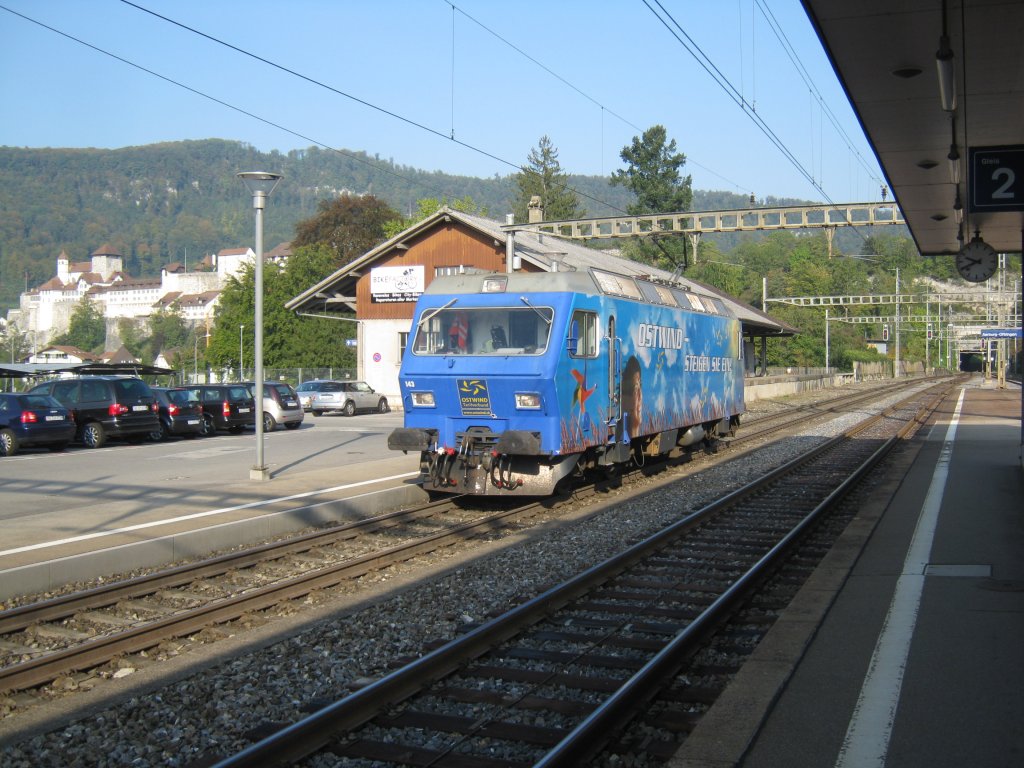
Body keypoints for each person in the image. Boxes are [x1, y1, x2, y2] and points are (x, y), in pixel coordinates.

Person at [622, 355, 643, 439]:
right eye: (636, 378)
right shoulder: (632, 394)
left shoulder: (637, 393)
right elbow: (636, 421)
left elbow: (637, 421)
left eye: (639, 379)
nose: (638, 382)